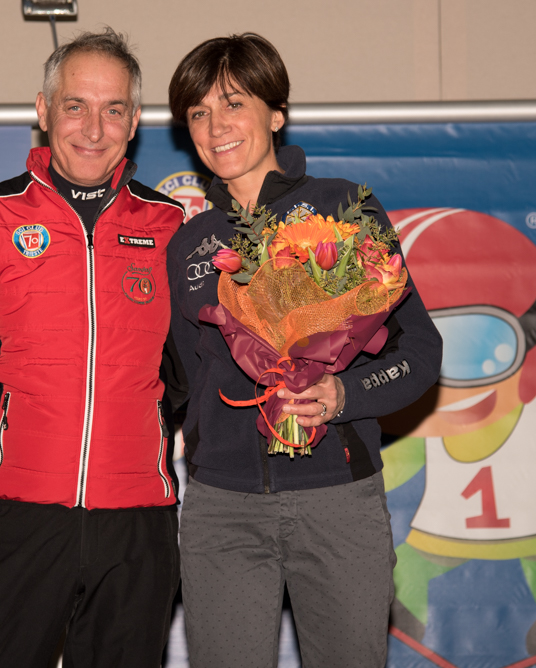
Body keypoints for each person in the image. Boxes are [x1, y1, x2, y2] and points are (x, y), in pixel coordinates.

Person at [166, 34, 443, 667]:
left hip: (337, 501)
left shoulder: (342, 208)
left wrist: (345, 393)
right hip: (222, 509)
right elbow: (178, 381)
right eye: (199, 113)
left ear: (276, 114)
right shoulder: (188, 246)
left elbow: (420, 351)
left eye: (234, 103)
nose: (216, 126)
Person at [0, 28, 186, 667]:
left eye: (113, 109)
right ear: (43, 110)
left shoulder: (173, 229)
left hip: (139, 528)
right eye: (75, 106)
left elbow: (184, 380)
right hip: (17, 519)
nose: (93, 129)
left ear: (134, 121)